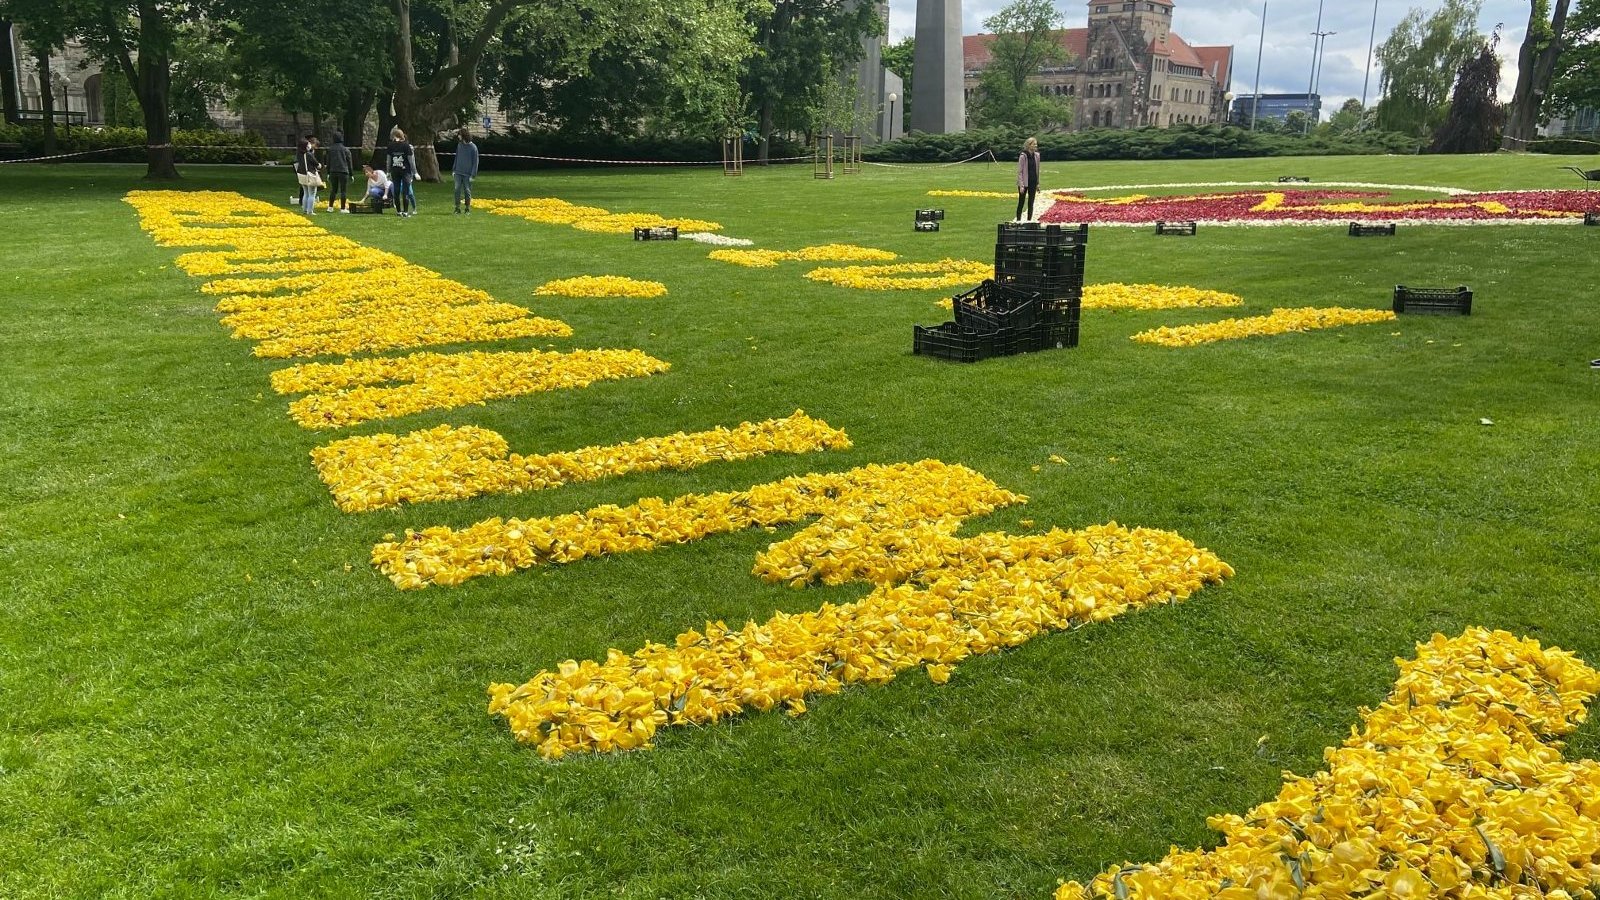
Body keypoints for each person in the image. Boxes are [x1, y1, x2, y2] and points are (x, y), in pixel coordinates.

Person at [385, 126, 417, 217]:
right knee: (405, 191)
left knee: (397, 190)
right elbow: (411, 161)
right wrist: (415, 172)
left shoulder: (391, 146)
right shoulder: (406, 146)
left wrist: (388, 171)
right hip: (405, 171)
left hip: (395, 170)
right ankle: (405, 211)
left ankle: (399, 211)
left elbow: (388, 160)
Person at [452, 127, 479, 214]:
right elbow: (457, 157)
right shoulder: (459, 145)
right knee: (457, 189)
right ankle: (457, 208)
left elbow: (475, 162)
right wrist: (454, 169)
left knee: (467, 191)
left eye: (459, 135)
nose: (458, 137)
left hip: (468, 174)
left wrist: (473, 175)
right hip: (458, 172)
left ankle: (467, 208)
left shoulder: (473, 147)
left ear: (463, 136)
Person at [325, 131, 354, 213]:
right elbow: (349, 162)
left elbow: (328, 162)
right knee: (343, 190)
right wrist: (351, 174)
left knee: (333, 190)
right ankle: (342, 208)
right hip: (343, 171)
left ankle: (330, 207)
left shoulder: (330, 149)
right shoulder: (345, 149)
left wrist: (328, 173)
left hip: (333, 171)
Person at [1015, 136, 1041, 222]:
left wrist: (1037, 183)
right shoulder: (1023, 156)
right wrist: (1021, 185)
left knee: (1031, 203)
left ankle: (1029, 221)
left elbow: (1037, 170)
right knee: (1021, 202)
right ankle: (1018, 220)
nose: (1035, 146)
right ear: (1029, 145)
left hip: (1033, 181)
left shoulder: (1037, 156)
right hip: (1024, 182)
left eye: (1036, 144)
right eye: (1034, 144)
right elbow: (1020, 172)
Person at [298, 135, 322, 215]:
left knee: (306, 193)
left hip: (301, 174)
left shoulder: (300, 153)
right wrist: (319, 165)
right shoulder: (308, 154)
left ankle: (305, 209)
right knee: (312, 193)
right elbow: (316, 164)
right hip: (309, 175)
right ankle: (310, 211)